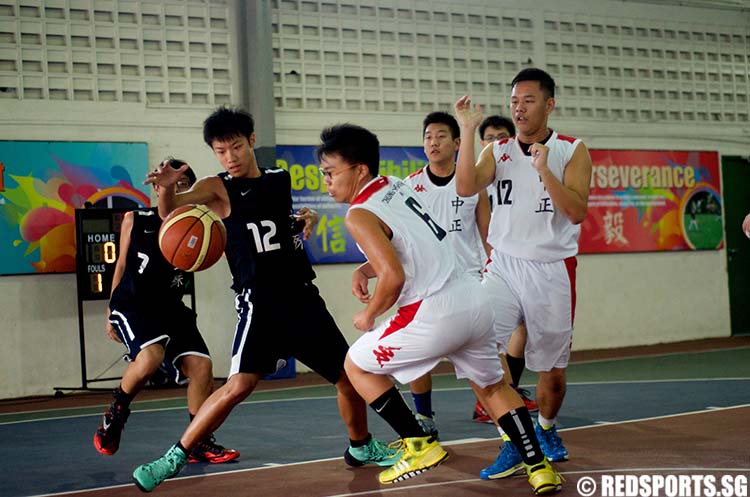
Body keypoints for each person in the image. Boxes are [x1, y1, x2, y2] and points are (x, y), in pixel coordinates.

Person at [132, 108, 399, 492]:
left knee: (347, 377)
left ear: (252, 141)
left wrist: (305, 219)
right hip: (260, 302)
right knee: (238, 385)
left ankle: (361, 446)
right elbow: (172, 212)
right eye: (221, 151)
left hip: (302, 297)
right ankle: (174, 456)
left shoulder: (278, 179)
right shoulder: (216, 187)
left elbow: (278, 224)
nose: (230, 157)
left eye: (236, 147)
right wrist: (168, 189)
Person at [318, 123, 563, 495]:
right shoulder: (396, 186)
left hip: (434, 310)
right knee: (495, 385)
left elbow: (394, 277)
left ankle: (418, 444)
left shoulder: (359, 213)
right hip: (474, 299)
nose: (327, 181)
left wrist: (368, 315)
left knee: (354, 365)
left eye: (331, 172)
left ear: (360, 170)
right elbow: (412, 244)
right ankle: (539, 467)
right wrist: (364, 269)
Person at [454, 67, 592, 479]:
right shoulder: (497, 150)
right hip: (504, 265)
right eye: (514, 101)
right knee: (473, 347)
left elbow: (577, 211)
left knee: (551, 372)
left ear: (549, 105)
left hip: (552, 270)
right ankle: (516, 438)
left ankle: (546, 429)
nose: (519, 108)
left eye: (528, 100)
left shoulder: (572, 149)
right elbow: (464, 187)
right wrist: (466, 130)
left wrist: (545, 170)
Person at [96, 162, 238, 464]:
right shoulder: (136, 218)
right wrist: (111, 308)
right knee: (150, 357)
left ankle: (198, 442)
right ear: (158, 188)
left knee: (202, 367)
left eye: (183, 184)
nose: (176, 189)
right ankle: (115, 415)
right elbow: (120, 264)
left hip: (171, 308)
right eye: (170, 184)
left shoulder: (205, 227)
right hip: (133, 304)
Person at [402, 111, 491, 436]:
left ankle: (500, 417)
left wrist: (494, 273)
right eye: (427, 137)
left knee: (480, 361)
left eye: (440, 136)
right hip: (424, 286)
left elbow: (488, 235)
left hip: (467, 283)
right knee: (418, 356)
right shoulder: (410, 187)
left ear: (457, 143)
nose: (433, 142)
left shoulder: (474, 185)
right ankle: (424, 416)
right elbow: (400, 239)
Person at [476, 115, 539, 421]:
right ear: (481, 143)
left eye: (502, 136)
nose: (496, 141)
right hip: (484, 265)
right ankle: (493, 395)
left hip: (513, 263)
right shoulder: (477, 181)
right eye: (489, 137)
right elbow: (484, 231)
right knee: (489, 334)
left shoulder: (521, 174)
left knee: (523, 327)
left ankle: (508, 388)